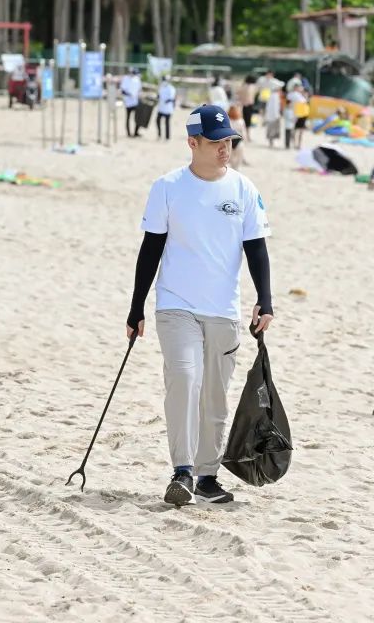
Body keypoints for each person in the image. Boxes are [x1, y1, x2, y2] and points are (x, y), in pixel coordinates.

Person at [126, 104, 274, 507]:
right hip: (175, 305)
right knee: (185, 378)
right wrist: (136, 307)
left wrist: (266, 299)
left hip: (224, 309)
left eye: (228, 140)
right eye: (215, 142)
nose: (224, 148)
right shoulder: (168, 187)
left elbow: (256, 248)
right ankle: (182, 471)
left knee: (215, 394)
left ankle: (208, 476)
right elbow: (150, 248)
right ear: (193, 142)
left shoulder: (244, 189)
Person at [261, 72, 283, 147]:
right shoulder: (270, 94)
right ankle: (271, 140)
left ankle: (272, 139)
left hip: (274, 114)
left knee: (274, 126)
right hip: (271, 114)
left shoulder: (276, 94)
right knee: (271, 126)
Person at [120, 68, 143, 138]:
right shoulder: (125, 79)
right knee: (128, 118)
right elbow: (122, 91)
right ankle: (128, 133)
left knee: (138, 117)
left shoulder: (137, 80)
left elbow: (139, 90)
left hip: (135, 101)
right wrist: (129, 95)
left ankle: (136, 132)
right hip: (128, 102)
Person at [237, 75, 257, 143]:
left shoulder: (244, 86)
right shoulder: (249, 86)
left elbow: (238, 93)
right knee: (247, 121)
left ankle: (244, 136)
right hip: (247, 105)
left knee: (244, 121)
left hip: (245, 105)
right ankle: (247, 136)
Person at [288, 83, 308, 150]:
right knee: (296, 131)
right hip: (296, 114)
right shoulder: (293, 95)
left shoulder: (301, 95)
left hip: (302, 114)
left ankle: (298, 144)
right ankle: (295, 144)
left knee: (299, 131)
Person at [156, 76, 176, 140]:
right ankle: (159, 135)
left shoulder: (171, 88)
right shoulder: (161, 87)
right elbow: (158, 96)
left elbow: (171, 98)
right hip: (161, 108)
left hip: (168, 108)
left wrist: (165, 101)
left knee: (167, 123)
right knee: (157, 121)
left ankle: (167, 137)